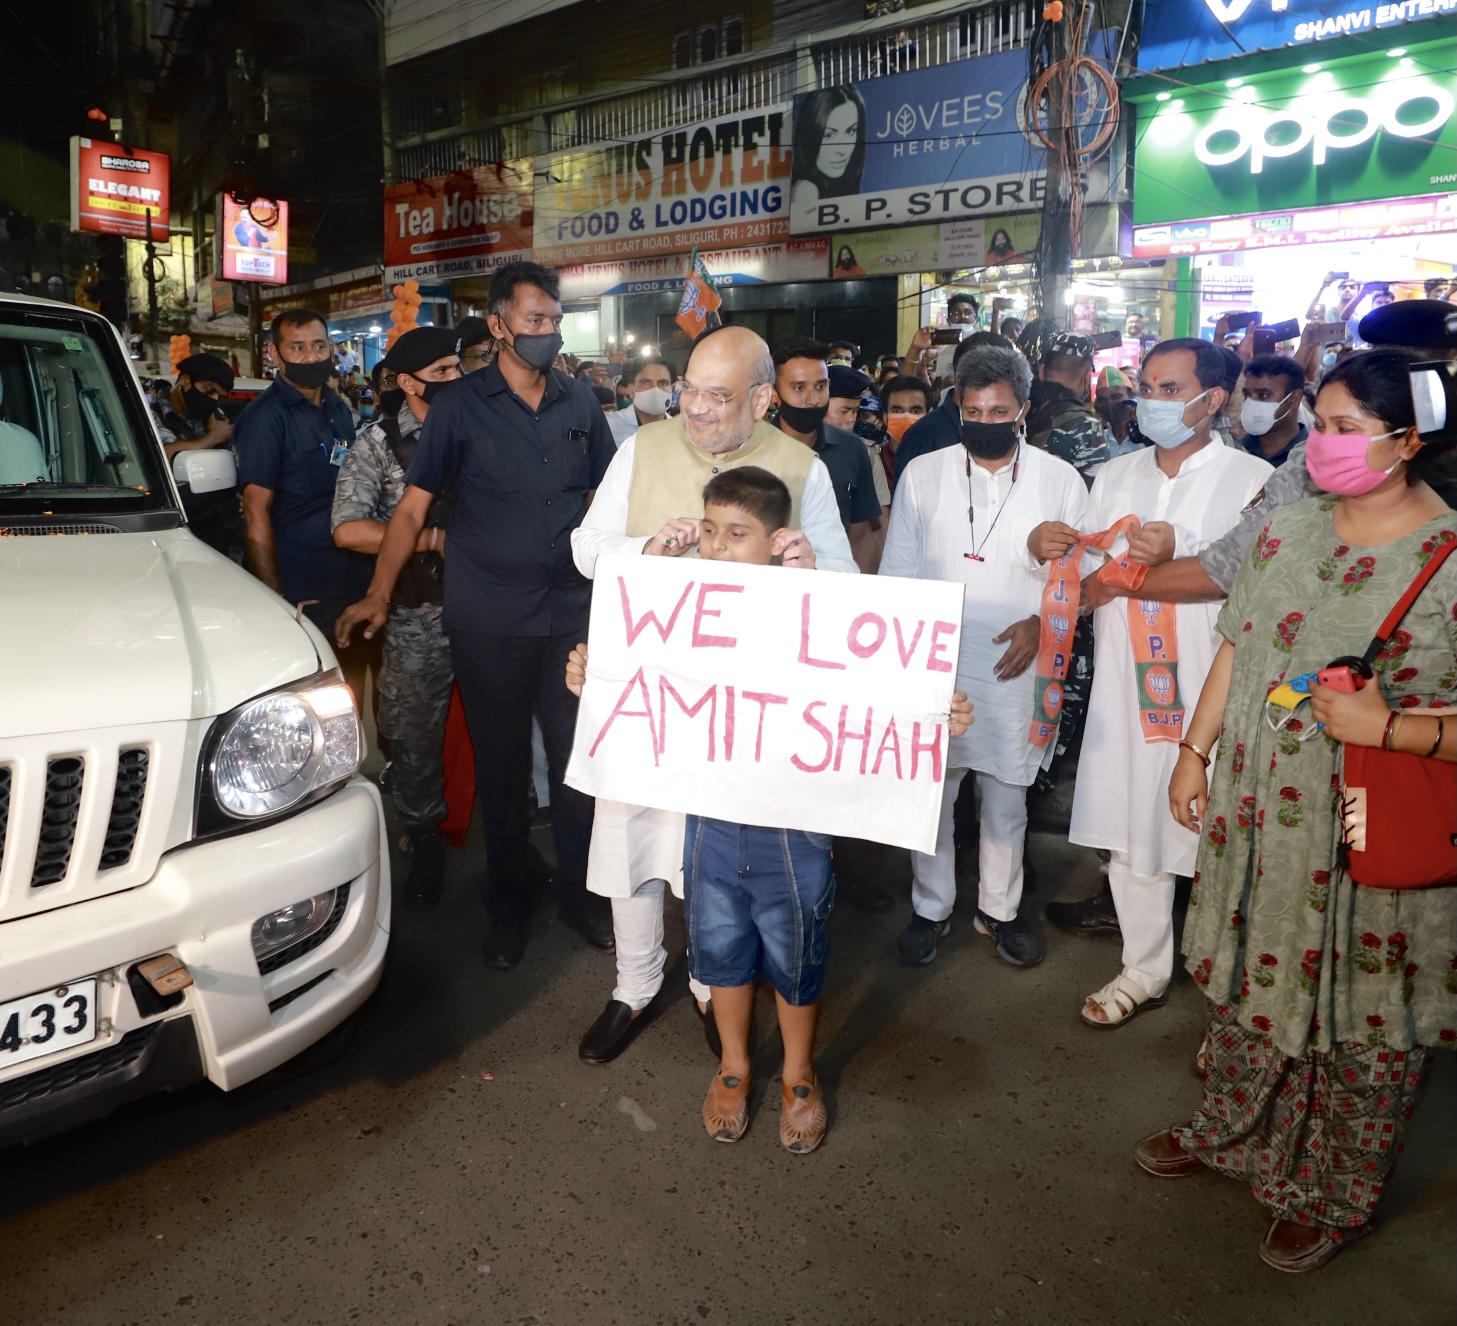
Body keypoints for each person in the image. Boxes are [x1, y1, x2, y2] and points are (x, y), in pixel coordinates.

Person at [1148, 349, 1457, 1273]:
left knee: (1364, 1019)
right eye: (1317, 425)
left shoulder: (1447, 559)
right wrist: (1194, 752)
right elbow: (1238, 649)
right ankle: (1230, 1131)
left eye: (1346, 430)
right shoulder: (1287, 529)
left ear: (1408, 441)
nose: (1322, 445)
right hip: (1259, 815)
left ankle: (1329, 1192)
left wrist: (1389, 724)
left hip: (1371, 839)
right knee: (1249, 983)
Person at [567, 467, 974, 1151]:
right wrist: (592, 677)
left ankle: (797, 1073)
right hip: (711, 823)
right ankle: (732, 1066)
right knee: (719, 947)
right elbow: (641, 688)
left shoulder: (823, 613)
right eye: (709, 532)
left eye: (737, 534)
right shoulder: (682, 610)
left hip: (794, 831)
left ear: (777, 539)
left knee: (796, 954)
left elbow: (884, 689)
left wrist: (939, 713)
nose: (719, 547)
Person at [568, 325, 857, 1066]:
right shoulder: (642, 447)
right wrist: (650, 552)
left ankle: (707, 983)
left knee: (715, 856)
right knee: (630, 833)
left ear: (761, 399)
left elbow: (849, 594)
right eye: (688, 388)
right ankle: (634, 983)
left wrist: (808, 565)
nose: (693, 408)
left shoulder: (801, 469)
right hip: (653, 692)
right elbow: (584, 546)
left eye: (716, 396)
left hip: (743, 707)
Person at [334, 261, 617, 969]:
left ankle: (583, 897)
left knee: (577, 763)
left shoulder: (579, 401)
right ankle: (508, 902)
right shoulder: (459, 407)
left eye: (555, 321)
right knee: (500, 772)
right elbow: (411, 508)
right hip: (487, 616)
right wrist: (378, 590)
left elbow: (608, 503)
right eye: (534, 321)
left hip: (569, 616)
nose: (548, 333)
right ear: (498, 326)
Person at [1055, 337, 1273, 1028]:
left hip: (1215, 687)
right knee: (1131, 825)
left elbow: (1250, 578)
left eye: (1169, 388)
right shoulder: (1113, 477)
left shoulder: (1251, 480)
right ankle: (1143, 967)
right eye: (1146, 385)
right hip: (1126, 687)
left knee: (1222, 835)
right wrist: (1051, 560)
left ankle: (1231, 984)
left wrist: (1175, 551)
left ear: (1212, 401)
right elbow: (1086, 583)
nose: (1150, 399)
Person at [881, 344, 1090, 968]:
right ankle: (931, 907)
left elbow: (1088, 577)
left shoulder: (1060, 480)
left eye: (999, 410)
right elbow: (897, 570)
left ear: (1023, 409)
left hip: (1018, 665)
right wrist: (908, 659)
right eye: (973, 409)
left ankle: (999, 910)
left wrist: (1043, 624)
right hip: (935, 661)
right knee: (933, 796)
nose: (986, 420)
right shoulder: (925, 472)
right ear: (958, 407)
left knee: (1006, 795)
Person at [331, 327, 461, 911]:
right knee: (413, 735)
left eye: (459, 367)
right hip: (418, 614)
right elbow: (350, 528)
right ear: (409, 382)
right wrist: (429, 538)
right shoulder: (378, 444)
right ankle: (424, 834)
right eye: (442, 372)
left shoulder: (478, 426)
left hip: (489, 603)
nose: (456, 380)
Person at [235, 308, 381, 705]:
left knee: (357, 691)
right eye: (297, 348)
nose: (310, 357)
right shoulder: (265, 419)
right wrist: (274, 599)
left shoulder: (337, 408)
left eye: (318, 346)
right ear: (275, 354)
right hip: (305, 586)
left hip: (355, 575)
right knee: (315, 701)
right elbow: (255, 513)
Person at [771, 336, 883, 573]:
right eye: (799, 388)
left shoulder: (852, 449)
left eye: (821, 386)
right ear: (773, 394)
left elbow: (861, 536)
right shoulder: (752, 448)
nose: (813, 400)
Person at [151, 352, 247, 563]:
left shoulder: (214, 418)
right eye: (208, 390)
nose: (213, 400)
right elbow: (163, 456)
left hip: (223, 533)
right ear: (185, 380)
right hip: (176, 533)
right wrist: (212, 439)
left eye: (219, 396)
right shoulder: (152, 415)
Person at [1025, 331, 1110, 486]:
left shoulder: (1018, 409)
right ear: (1086, 376)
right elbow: (1097, 493)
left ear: (1042, 371)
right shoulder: (1085, 426)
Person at [790, 84, 866, 207]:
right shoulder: (805, 190)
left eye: (850, 131)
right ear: (810, 136)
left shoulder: (838, 188)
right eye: (829, 135)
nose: (842, 150)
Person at [1238, 353, 1308, 467]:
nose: (1250, 403)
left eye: (1263, 395)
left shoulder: (1313, 457)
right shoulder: (1237, 451)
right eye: (1247, 395)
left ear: (1294, 399)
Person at [607, 355, 675, 446]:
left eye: (663, 383)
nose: (655, 390)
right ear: (631, 390)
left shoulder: (680, 431)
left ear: (672, 389)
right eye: (645, 383)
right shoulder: (610, 426)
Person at [1095, 364, 1140, 459]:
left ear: (1131, 396)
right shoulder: (1097, 441)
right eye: (1103, 400)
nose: (1110, 403)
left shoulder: (1146, 437)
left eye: (1116, 397)